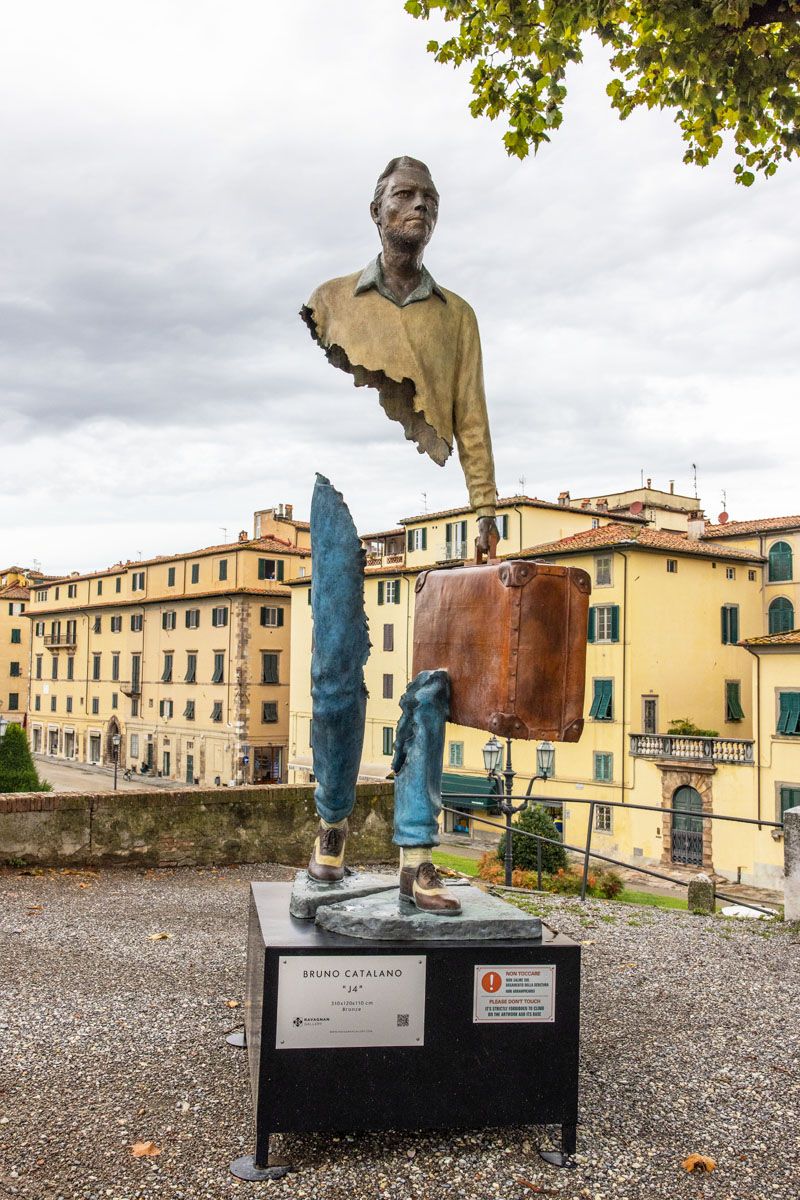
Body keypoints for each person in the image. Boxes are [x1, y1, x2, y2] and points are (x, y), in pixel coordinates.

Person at [301, 158, 498, 910]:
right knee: (333, 674)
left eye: (429, 199)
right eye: (404, 196)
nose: (417, 207)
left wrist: (483, 507)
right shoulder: (328, 302)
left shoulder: (459, 316)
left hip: (429, 505)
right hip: (336, 495)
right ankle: (331, 827)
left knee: (432, 685)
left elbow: (472, 413)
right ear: (376, 212)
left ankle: (417, 855)